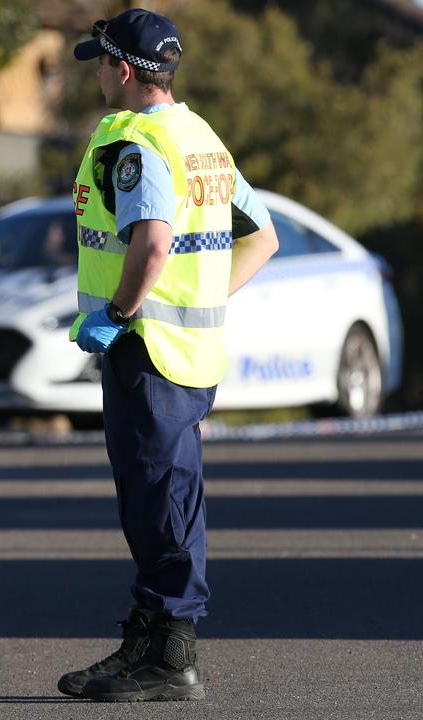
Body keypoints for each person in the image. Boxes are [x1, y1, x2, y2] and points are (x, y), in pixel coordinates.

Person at [58, 8, 278, 702]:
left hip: (146, 351)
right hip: (187, 350)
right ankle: (152, 641)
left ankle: (168, 654)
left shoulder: (137, 143)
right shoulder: (198, 136)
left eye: (99, 61)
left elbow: (151, 242)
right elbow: (262, 237)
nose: (97, 72)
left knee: (158, 502)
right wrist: (200, 302)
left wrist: (123, 314)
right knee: (166, 498)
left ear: (122, 69)